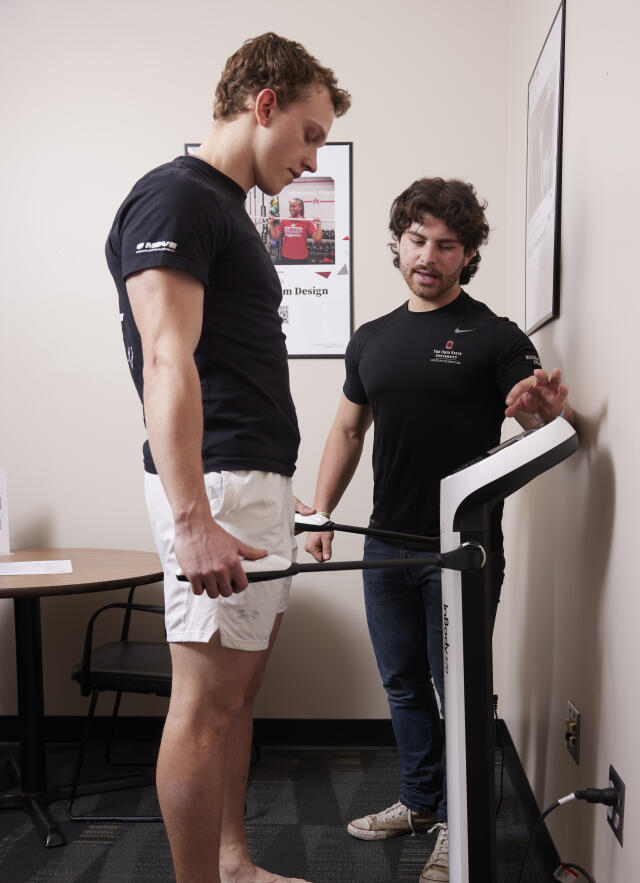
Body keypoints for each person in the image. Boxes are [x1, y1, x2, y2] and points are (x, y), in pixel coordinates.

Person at [105, 33, 350, 883]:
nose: (313, 156)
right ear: (265, 103)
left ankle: (233, 862)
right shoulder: (177, 199)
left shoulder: (222, 208)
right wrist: (191, 520)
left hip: (253, 480)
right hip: (216, 482)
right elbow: (166, 361)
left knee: (238, 701)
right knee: (204, 708)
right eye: (311, 133)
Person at [305, 177, 574, 882]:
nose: (429, 254)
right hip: (385, 545)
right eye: (418, 238)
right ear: (398, 240)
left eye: (447, 244)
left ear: (468, 253)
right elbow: (345, 428)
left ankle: (461, 819)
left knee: (459, 689)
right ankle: (422, 802)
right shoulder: (371, 339)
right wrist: (318, 511)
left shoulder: (494, 335)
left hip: (462, 549)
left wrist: (541, 407)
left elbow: (538, 416)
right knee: (400, 682)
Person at [268, 197, 322, 262]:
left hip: (302, 258)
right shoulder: (284, 221)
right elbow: (275, 237)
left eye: (293, 206)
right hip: (286, 257)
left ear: (300, 207)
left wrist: (318, 225)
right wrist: (271, 224)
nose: (291, 209)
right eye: (290, 207)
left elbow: (318, 239)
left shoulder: (307, 222)